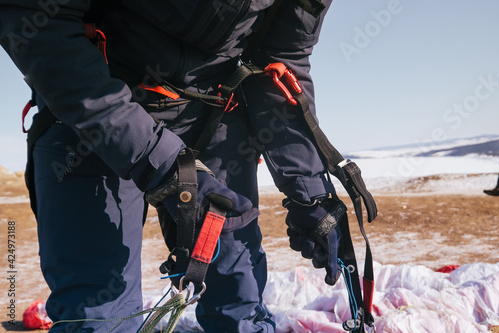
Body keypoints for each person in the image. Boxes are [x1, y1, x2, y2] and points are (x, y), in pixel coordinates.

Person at [0, 0, 347, 331]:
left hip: (214, 116)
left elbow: (282, 58)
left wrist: (308, 188)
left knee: (238, 295)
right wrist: (161, 162)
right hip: (94, 109)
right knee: (100, 314)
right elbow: (33, 19)